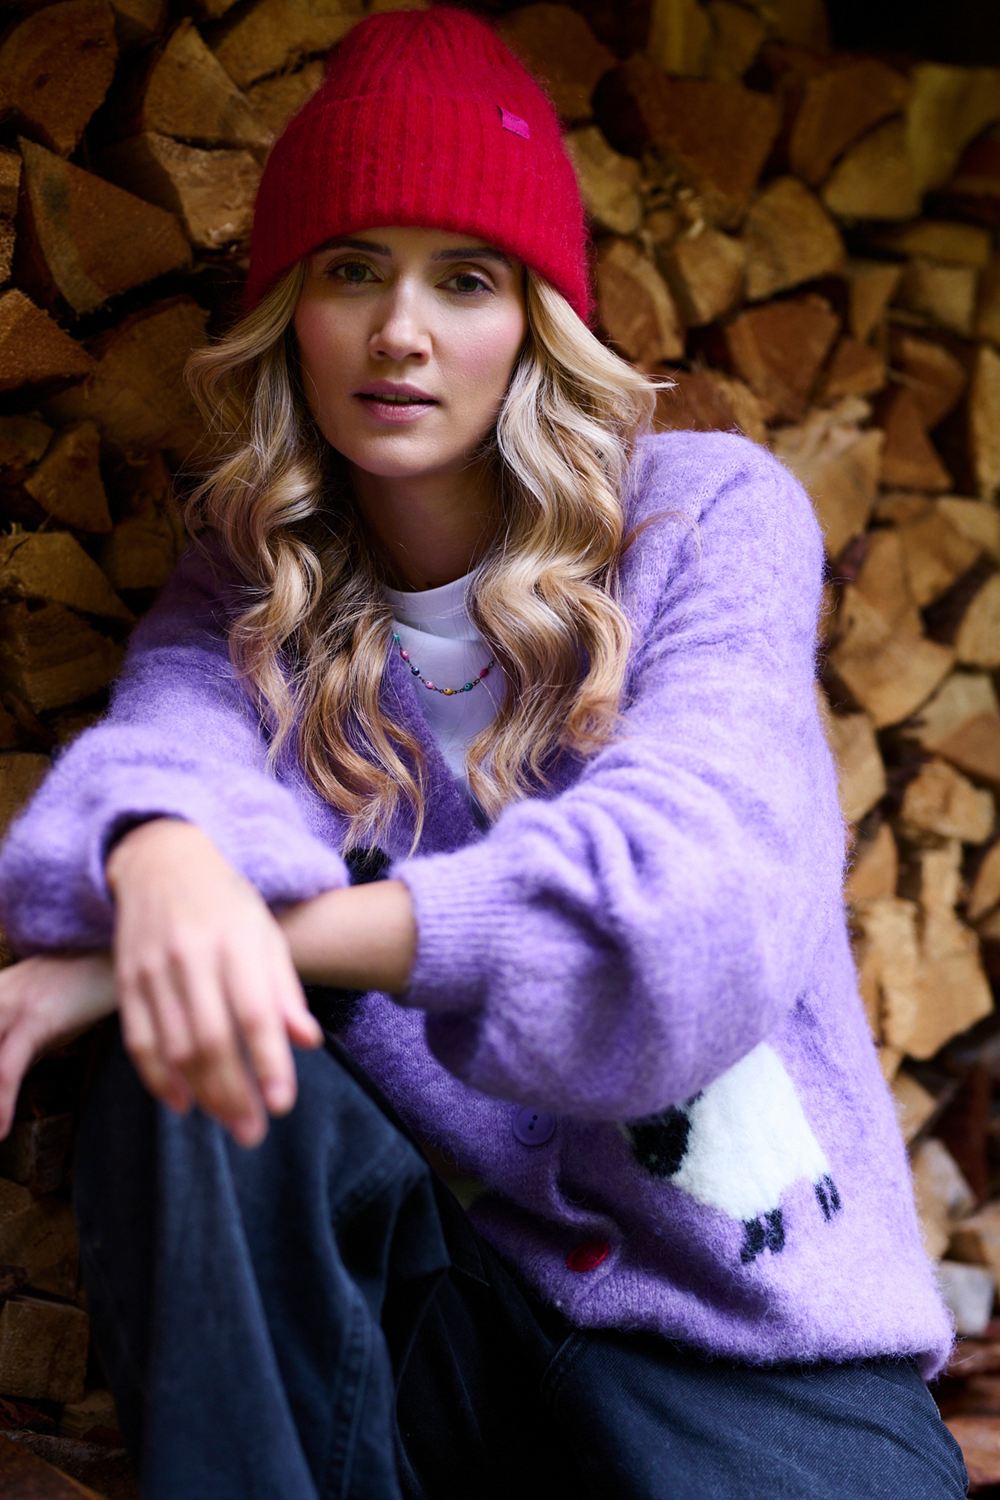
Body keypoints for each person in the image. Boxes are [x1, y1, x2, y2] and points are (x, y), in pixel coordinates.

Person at [0, 7, 970, 1498]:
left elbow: (688, 907)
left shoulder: (706, 519)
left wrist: (185, 942)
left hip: (746, 1345)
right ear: (290, 314)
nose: (400, 332)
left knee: (183, 977)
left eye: (464, 279)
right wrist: (164, 862)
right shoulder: (254, 600)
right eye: (350, 270)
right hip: (449, 1338)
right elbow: (156, 767)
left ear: (535, 321)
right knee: (176, 1061)